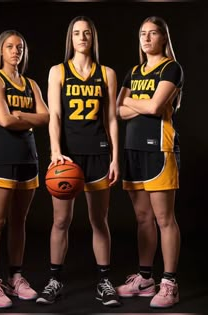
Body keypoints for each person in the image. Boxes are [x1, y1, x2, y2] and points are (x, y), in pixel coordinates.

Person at [36, 16, 120, 307]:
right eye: (76, 33)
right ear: (70, 39)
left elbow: (110, 118)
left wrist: (115, 158)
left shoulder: (106, 73)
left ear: (93, 38)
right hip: (67, 157)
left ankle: (104, 281)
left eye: (86, 33)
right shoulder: (58, 71)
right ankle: (55, 279)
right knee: (61, 220)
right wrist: (54, 151)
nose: (82, 37)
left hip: (98, 154)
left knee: (99, 220)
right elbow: (55, 116)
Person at [115, 16, 184, 309]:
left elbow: (156, 107)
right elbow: (118, 110)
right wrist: (137, 103)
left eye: (152, 33)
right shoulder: (134, 71)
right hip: (132, 149)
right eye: (143, 33)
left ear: (163, 38)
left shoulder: (171, 67)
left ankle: (169, 282)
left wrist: (134, 103)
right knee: (143, 218)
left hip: (159, 148)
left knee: (164, 218)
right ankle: (145, 278)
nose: (146, 38)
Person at [0, 30, 49, 308]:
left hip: (28, 158)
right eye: (9, 46)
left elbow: (46, 117)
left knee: (19, 223)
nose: (15, 51)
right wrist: (26, 119)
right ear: (1, 50)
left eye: (19, 47)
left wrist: (20, 115)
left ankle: (15, 277)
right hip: (2, 157)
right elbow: (3, 121)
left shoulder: (30, 83)